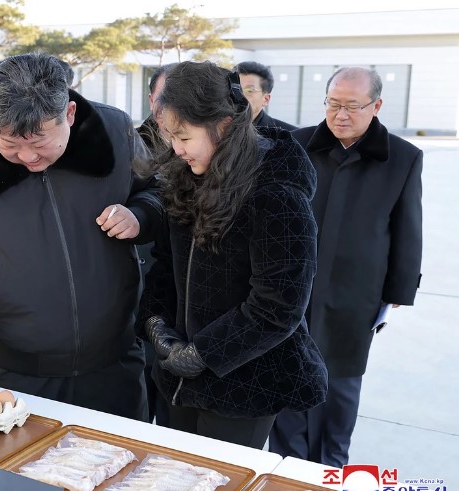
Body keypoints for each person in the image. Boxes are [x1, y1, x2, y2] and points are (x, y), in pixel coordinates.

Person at [0, 53, 163, 421]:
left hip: (113, 357)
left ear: (70, 115)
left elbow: (155, 189)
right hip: (17, 365)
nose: (27, 156)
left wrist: (140, 215)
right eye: (10, 144)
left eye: (39, 140)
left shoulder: (114, 131)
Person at [138, 61, 327, 449]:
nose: (176, 148)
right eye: (170, 136)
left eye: (184, 136)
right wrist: (157, 326)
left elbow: (279, 306)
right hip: (178, 377)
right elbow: (165, 264)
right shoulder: (187, 175)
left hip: (245, 386)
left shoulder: (276, 194)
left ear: (223, 124)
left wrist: (203, 354)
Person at [269, 67, 423, 467]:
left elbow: (408, 228)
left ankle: (332, 465)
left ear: (376, 106)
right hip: (293, 286)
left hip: (357, 292)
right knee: (289, 375)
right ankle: (290, 467)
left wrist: (398, 292)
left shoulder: (403, 157)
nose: (340, 115)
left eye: (352, 106)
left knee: (340, 384)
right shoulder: (297, 144)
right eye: (333, 104)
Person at [135, 62, 176, 427]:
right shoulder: (129, 143)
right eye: (166, 97)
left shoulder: (221, 150)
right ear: (152, 100)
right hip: (143, 286)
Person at [234, 61, 295, 132]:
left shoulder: (289, 135)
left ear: (266, 99)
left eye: (249, 90)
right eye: (235, 88)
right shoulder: (220, 129)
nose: (239, 95)